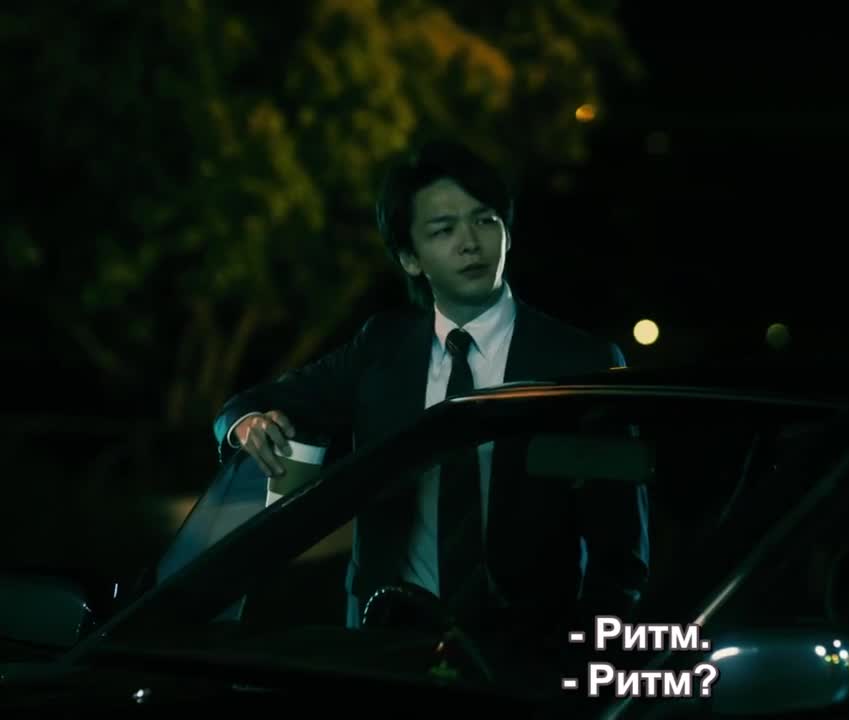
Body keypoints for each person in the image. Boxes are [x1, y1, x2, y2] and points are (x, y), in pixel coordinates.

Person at [211, 140, 650, 632]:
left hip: (526, 648)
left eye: (485, 220)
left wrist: (583, 654)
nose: (470, 242)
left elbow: (620, 552)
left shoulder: (579, 361)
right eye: (444, 229)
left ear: (507, 231)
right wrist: (247, 424)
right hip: (388, 640)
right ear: (410, 258)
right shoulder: (382, 349)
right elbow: (252, 404)